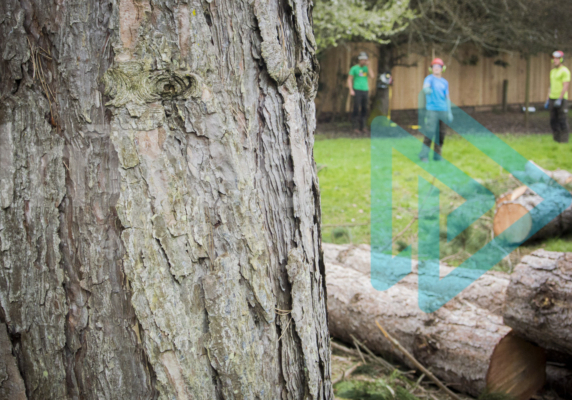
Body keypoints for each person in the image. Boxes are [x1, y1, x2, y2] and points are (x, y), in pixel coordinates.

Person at [419, 58, 453, 162]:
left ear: (442, 69)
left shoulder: (444, 82)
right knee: (430, 132)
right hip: (432, 110)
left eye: (439, 66)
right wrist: (427, 89)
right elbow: (425, 88)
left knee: (441, 134)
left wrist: (449, 111)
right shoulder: (429, 79)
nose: (436, 68)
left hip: (443, 110)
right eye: (434, 66)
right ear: (431, 69)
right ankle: (424, 155)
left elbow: (447, 98)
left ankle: (437, 156)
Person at [544, 51, 570, 143]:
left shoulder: (565, 71)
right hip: (552, 98)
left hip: (561, 99)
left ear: (561, 59)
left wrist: (560, 99)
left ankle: (564, 141)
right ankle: (557, 140)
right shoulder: (552, 72)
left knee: (562, 119)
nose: (554, 60)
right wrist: (547, 99)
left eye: (556, 59)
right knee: (553, 120)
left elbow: (565, 86)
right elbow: (550, 86)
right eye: (553, 58)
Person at [348, 52, 375, 134]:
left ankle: (363, 126)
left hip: (365, 90)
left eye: (365, 60)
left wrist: (369, 66)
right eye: (362, 60)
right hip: (357, 90)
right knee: (356, 108)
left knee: (364, 108)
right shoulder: (354, 68)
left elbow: (372, 76)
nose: (364, 61)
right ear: (359, 60)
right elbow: (349, 79)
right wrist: (351, 89)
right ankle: (355, 127)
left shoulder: (366, 69)